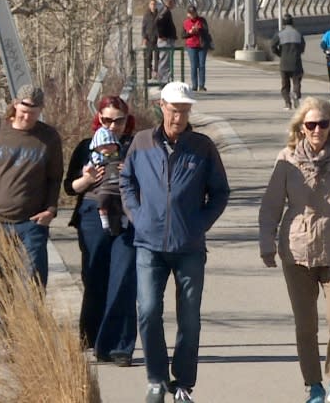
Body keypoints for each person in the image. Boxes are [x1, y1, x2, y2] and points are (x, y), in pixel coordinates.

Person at [258, 96, 330, 403]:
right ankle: (314, 386)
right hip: (297, 251)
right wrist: (266, 243)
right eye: (310, 125)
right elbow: (271, 205)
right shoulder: (286, 158)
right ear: (301, 127)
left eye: (323, 124)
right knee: (305, 323)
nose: (317, 130)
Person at [120, 81, 230, 403]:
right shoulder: (141, 143)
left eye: (184, 110)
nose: (179, 116)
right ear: (161, 107)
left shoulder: (202, 147)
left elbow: (220, 193)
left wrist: (200, 223)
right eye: (173, 109)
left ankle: (182, 383)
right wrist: (137, 216)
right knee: (149, 310)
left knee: (190, 318)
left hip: (189, 247)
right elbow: (126, 182)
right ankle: (156, 379)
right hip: (149, 245)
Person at [64, 96, 138, 366]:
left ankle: (120, 346)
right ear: (99, 119)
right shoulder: (87, 146)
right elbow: (68, 186)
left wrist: (129, 171)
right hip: (92, 214)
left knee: (124, 277)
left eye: (118, 120)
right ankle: (93, 337)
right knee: (95, 277)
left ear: (126, 121)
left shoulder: (136, 145)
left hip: (127, 216)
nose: (113, 125)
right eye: (107, 119)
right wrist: (86, 179)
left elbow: (151, 179)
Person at [0, 84, 63, 288]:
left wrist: (50, 210)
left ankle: (31, 320)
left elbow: (55, 178)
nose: (27, 117)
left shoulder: (49, 137)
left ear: (41, 111)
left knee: (34, 286)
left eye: (33, 113)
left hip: (32, 223)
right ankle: (3, 322)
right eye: (23, 112)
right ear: (15, 105)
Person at [87, 126, 126, 236]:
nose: (107, 148)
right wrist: (88, 172)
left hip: (120, 187)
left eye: (110, 144)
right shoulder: (95, 159)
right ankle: (104, 219)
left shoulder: (121, 156)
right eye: (103, 146)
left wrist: (128, 168)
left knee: (126, 202)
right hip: (104, 187)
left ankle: (125, 220)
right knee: (102, 200)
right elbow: (87, 169)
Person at [271, 13, 305, 110]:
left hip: (284, 63)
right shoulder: (298, 34)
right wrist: (297, 53)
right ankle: (296, 94)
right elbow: (302, 48)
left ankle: (287, 103)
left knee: (285, 85)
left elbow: (272, 46)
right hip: (296, 63)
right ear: (292, 22)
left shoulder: (280, 34)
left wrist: (280, 54)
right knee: (297, 82)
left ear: (284, 23)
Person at [183, 5, 209, 92]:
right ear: (188, 14)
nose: (192, 15)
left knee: (202, 65)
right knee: (194, 66)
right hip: (191, 46)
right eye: (190, 13)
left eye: (194, 13)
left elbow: (206, 31)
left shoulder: (201, 20)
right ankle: (194, 85)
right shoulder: (186, 22)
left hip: (202, 45)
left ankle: (201, 85)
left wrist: (199, 30)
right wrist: (190, 32)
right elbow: (183, 35)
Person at [156, 0, 178, 85]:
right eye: (173, 3)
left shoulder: (166, 11)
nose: (174, 5)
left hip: (168, 40)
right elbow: (158, 22)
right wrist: (161, 35)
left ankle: (165, 79)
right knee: (165, 61)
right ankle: (163, 81)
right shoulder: (165, 11)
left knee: (166, 61)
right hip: (165, 41)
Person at [142, 0, 160, 80]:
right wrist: (144, 37)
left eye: (154, 4)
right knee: (148, 57)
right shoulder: (146, 15)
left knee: (157, 57)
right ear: (149, 5)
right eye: (152, 4)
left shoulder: (158, 15)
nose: (153, 6)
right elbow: (143, 27)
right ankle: (149, 73)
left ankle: (156, 73)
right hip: (148, 39)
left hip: (157, 39)